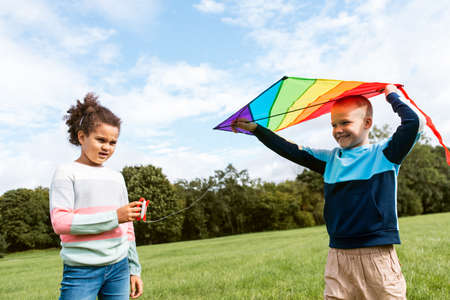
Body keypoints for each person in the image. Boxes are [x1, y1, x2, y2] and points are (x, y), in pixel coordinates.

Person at [231, 84, 424, 299]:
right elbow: (290, 150)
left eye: (345, 122)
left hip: (377, 256)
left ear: (367, 123)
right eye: (333, 124)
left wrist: (391, 95)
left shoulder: (385, 154)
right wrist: (257, 129)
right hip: (338, 257)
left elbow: (413, 123)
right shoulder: (330, 160)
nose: (338, 130)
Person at [50, 93, 144, 299]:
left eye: (113, 142)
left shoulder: (117, 177)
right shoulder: (66, 172)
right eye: (101, 140)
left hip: (119, 269)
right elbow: (61, 222)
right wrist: (114, 217)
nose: (107, 148)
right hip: (81, 271)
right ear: (82, 137)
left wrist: (133, 268)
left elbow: (127, 228)